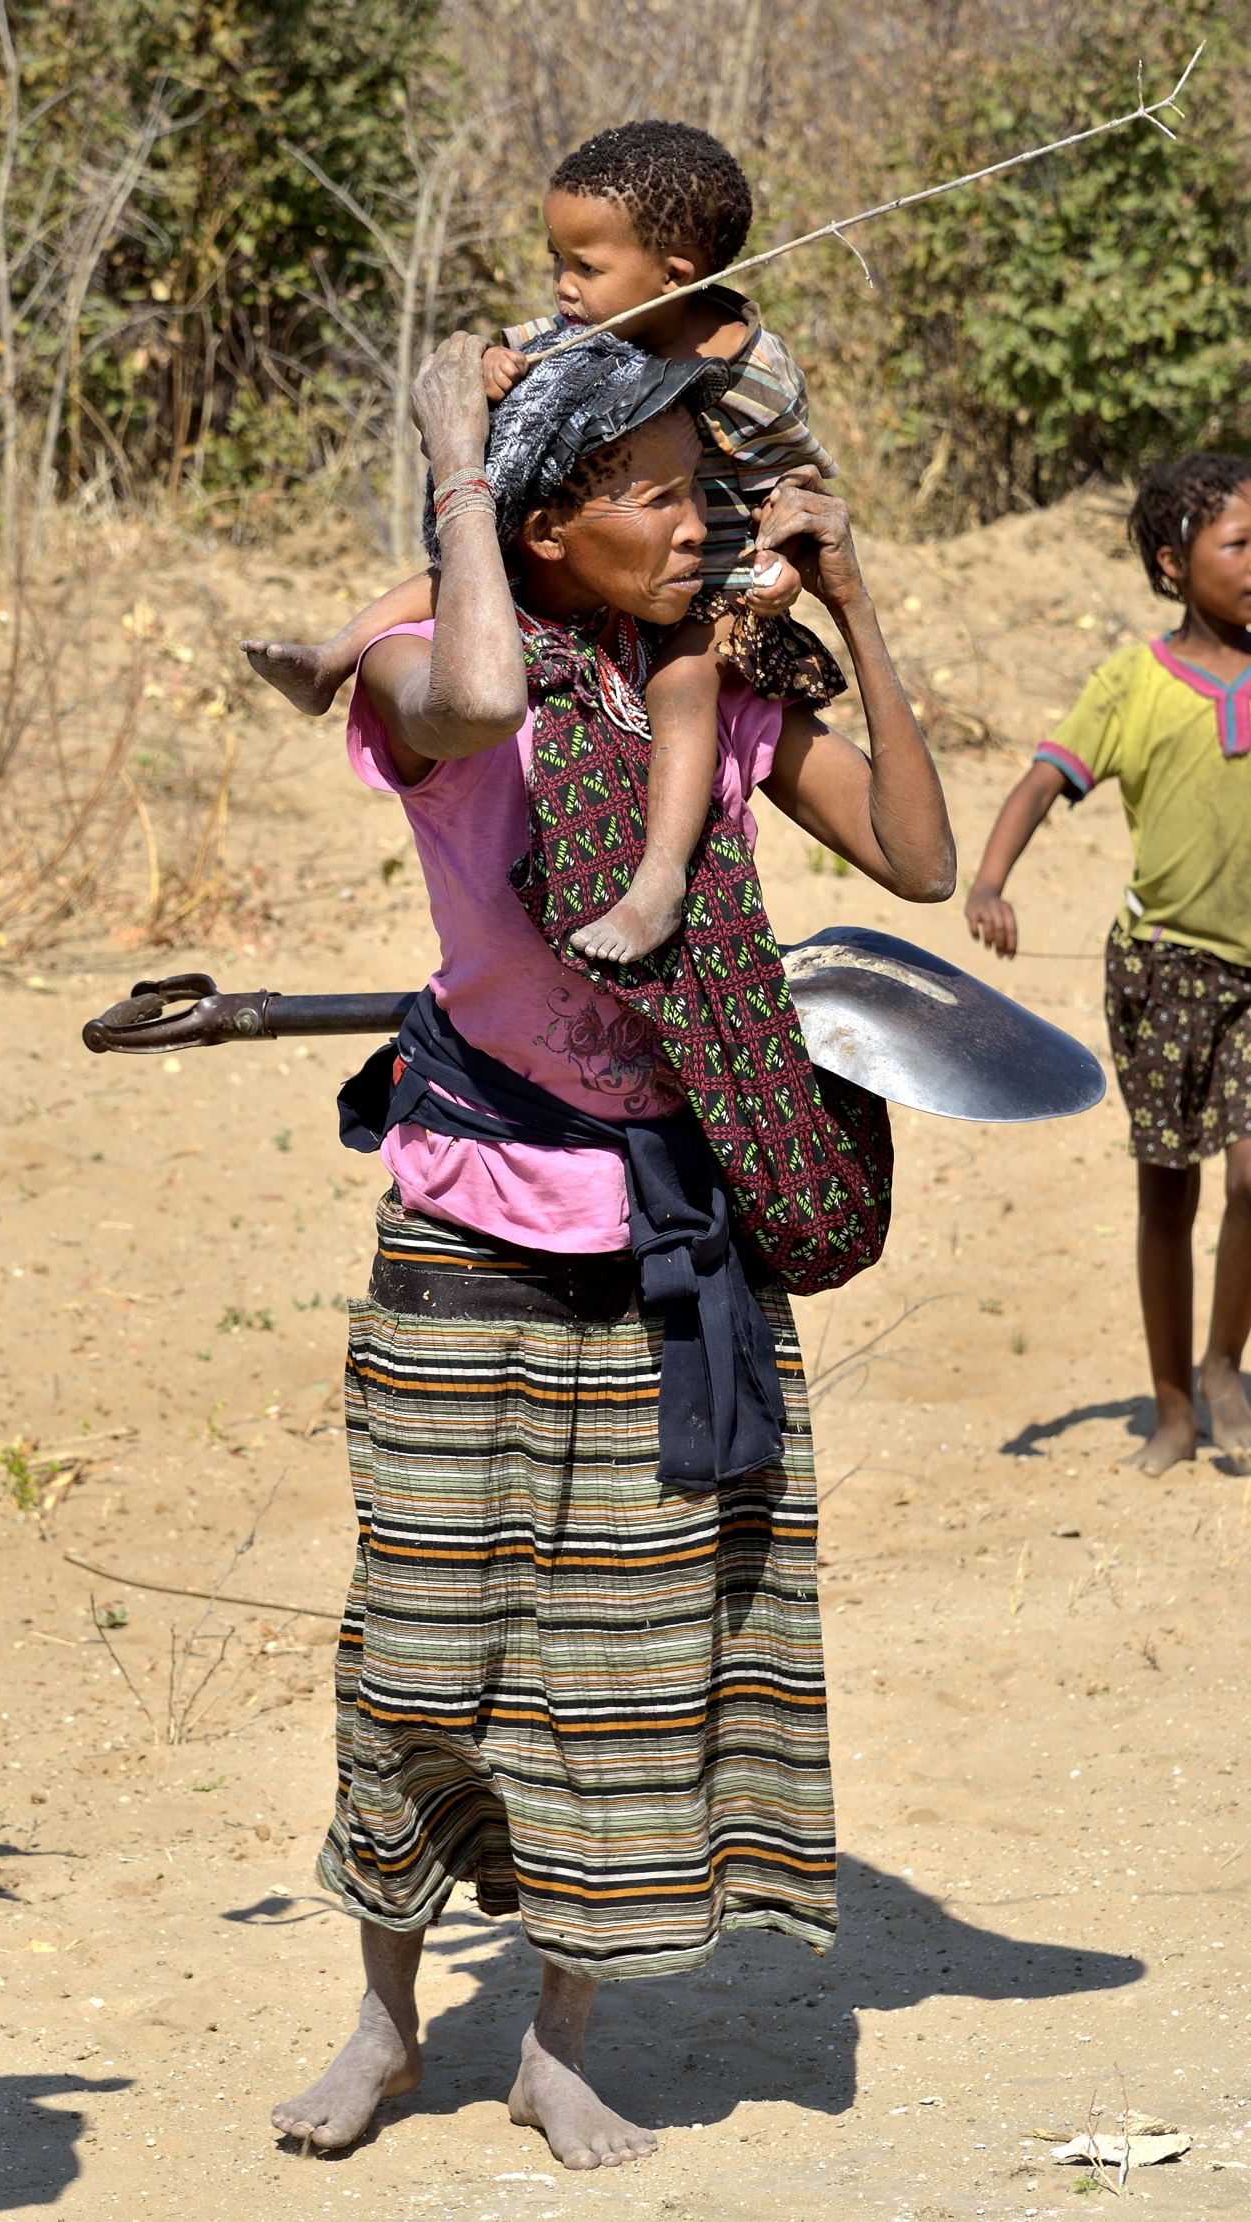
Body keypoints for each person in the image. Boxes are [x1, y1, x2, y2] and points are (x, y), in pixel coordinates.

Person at [268, 328, 953, 2169]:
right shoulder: (437, 676)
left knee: (629, 1668)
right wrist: (446, 445)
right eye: (648, 491)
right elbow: (484, 693)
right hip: (466, 1239)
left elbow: (911, 856)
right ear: (543, 522)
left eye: (696, 486)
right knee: (417, 1660)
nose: (690, 520)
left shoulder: (709, 700)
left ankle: (557, 2039)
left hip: (664, 1243)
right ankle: (384, 2019)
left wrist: (854, 601)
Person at [242, 121, 841, 963]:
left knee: (683, 682)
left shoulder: (755, 372)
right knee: (448, 575)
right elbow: (506, 355)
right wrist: (487, 361)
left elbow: (799, 484)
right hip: (607, 557)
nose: (562, 285)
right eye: (556, 258)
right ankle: (331, 659)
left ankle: (661, 879)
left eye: (584, 266)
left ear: (674, 276)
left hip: (714, 574)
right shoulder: (587, 326)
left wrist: (780, 566)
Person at [964, 452, 1251, 1478]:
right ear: (1174, 566)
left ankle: (1225, 1361)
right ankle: (1172, 1401)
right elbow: (1042, 782)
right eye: (1239, 544)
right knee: (1166, 1188)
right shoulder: (1130, 682)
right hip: (1167, 971)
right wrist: (990, 879)